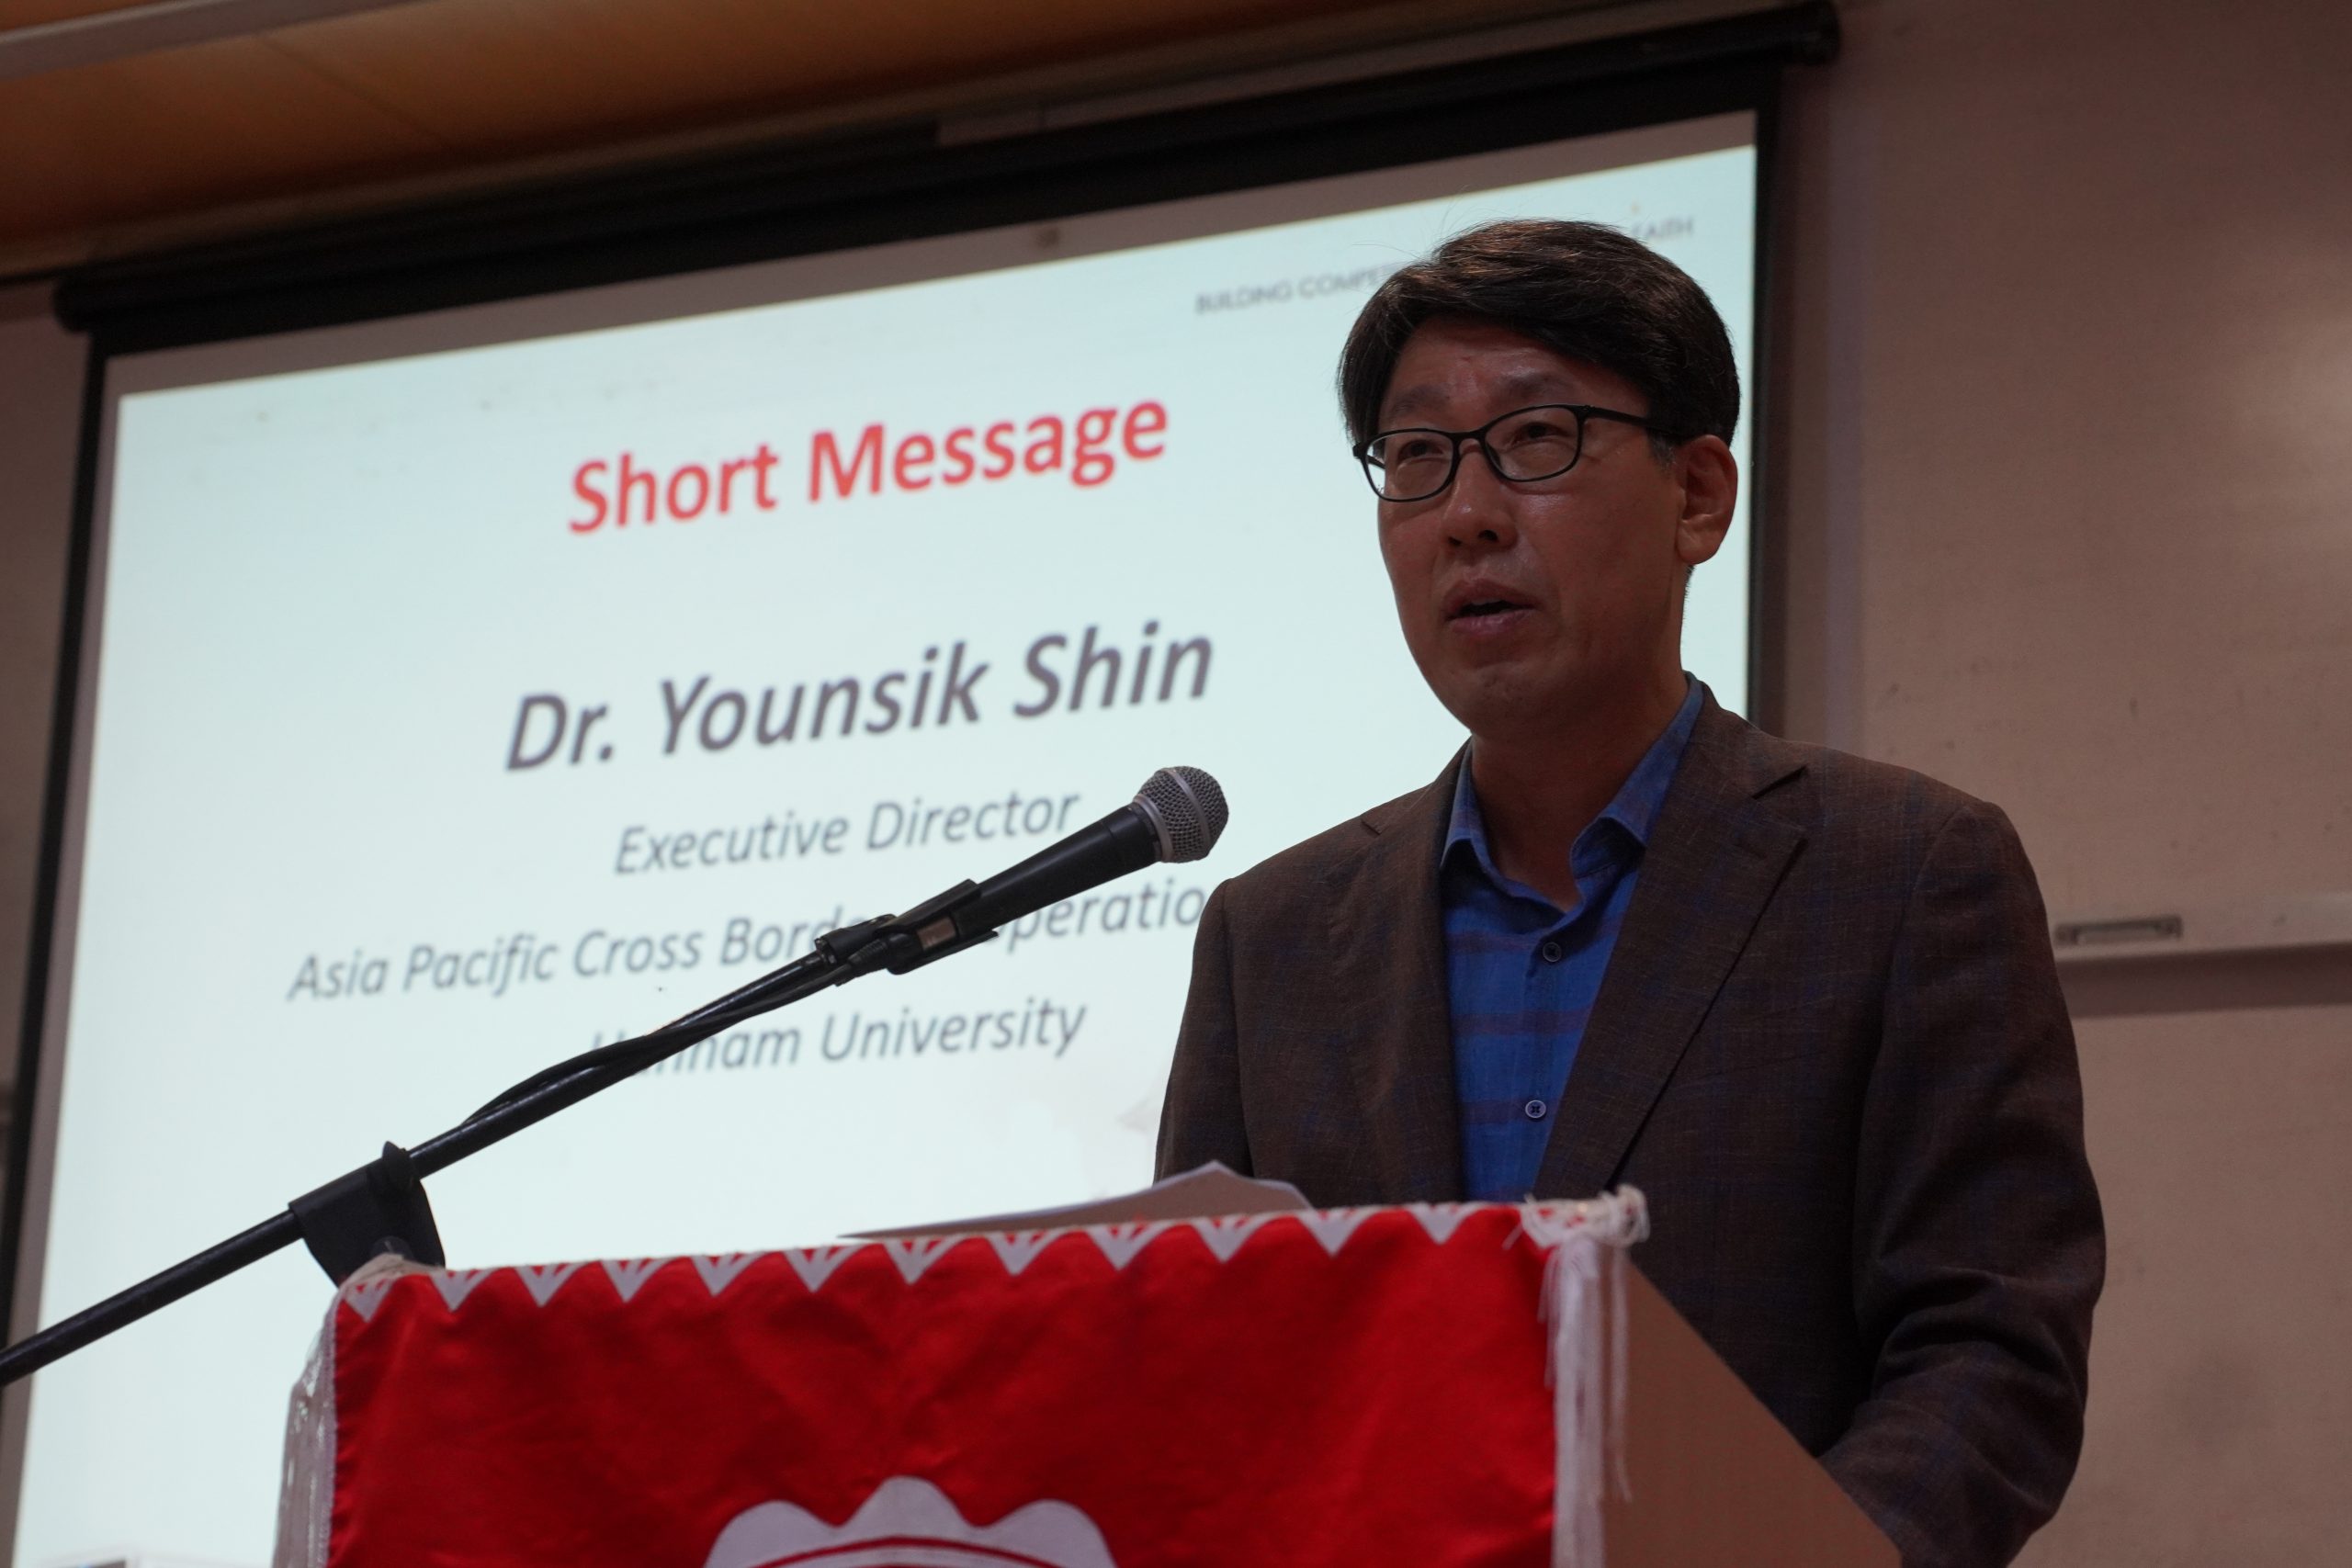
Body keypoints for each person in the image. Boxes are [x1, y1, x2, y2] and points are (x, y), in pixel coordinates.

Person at [1156, 219, 2103, 1568]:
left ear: (1697, 497)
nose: (1468, 514)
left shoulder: (1905, 875)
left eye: (1536, 438)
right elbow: (1202, 1359)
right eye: (1417, 457)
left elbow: (1991, 1349)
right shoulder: (1275, 938)